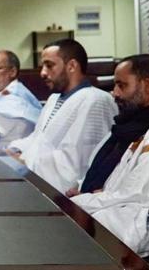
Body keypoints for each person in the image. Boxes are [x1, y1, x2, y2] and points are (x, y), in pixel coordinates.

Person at [69, 55, 149, 255]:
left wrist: (84, 200)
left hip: (124, 225)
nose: (114, 93)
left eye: (122, 85)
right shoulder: (128, 126)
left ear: (147, 86)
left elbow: (139, 194)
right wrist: (82, 191)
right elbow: (109, 175)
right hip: (103, 210)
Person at [7, 39, 117, 192]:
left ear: (71, 66)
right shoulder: (54, 98)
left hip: (64, 191)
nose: (43, 73)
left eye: (49, 65)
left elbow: (79, 161)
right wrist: (15, 150)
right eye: (42, 66)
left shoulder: (95, 100)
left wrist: (25, 162)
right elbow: (38, 139)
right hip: (37, 176)